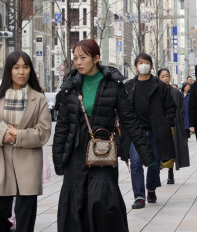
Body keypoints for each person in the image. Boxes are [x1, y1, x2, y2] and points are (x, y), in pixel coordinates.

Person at [53, 39, 154, 232]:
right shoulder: (70, 85)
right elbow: (63, 125)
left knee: (101, 200)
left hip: (102, 152)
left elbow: (129, 120)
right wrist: (58, 159)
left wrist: (146, 154)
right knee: (75, 204)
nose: (78, 62)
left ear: (96, 58)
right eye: (75, 58)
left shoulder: (113, 84)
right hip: (75, 151)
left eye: (83, 58)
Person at [0, 52, 51, 232]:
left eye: (25, 67)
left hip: (28, 160)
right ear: (9, 70)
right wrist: (3, 135)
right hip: (0, 159)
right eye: (16, 67)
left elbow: (44, 131)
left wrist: (18, 135)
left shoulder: (38, 98)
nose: (21, 72)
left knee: (25, 217)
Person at [122, 54, 176, 209]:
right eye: (140, 63)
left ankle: (150, 189)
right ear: (135, 66)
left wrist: (165, 122)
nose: (143, 65)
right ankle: (139, 196)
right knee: (136, 163)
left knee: (153, 164)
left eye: (146, 63)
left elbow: (171, 107)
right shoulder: (129, 86)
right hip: (135, 133)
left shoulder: (159, 86)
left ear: (152, 67)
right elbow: (123, 109)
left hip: (155, 132)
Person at [157, 68, 190, 185]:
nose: (165, 78)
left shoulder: (176, 92)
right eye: (162, 76)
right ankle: (156, 174)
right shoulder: (155, 91)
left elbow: (181, 110)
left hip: (173, 125)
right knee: (158, 150)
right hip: (159, 126)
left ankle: (170, 174)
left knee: (172, 149)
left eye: (167, 76)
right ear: (158, 78)